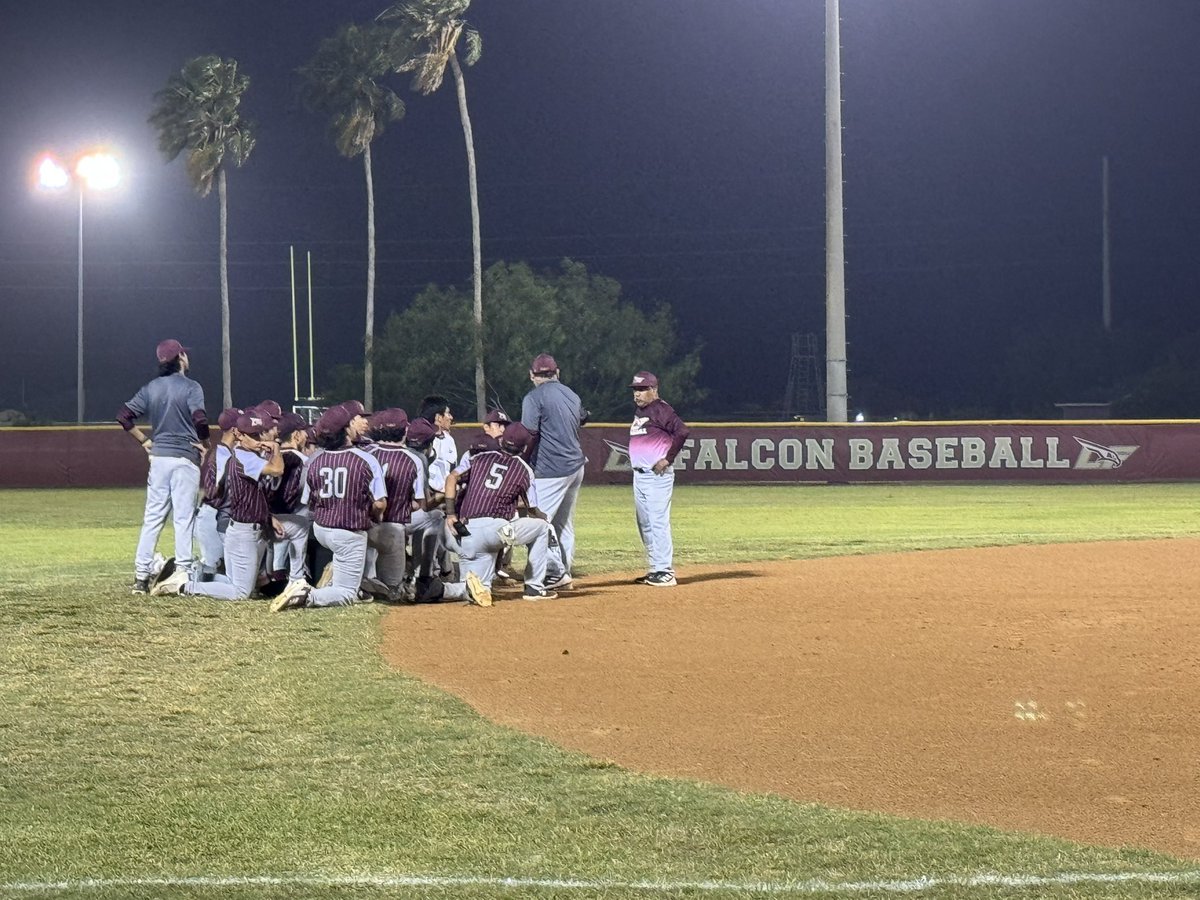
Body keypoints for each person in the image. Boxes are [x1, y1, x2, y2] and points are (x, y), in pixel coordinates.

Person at [153, 410, 284, 599]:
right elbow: (278, 469)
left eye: (259, 434)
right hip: (240, 529)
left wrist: (268, 516)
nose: (258, 440)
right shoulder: (243, 457)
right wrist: (276, 449)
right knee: (240, 592)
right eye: (253, 436)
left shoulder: (242, 454)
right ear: (238, 434)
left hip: (240, 527)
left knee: (234, 581)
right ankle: (184, 586)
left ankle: (187, 578)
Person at [272, 404, 387, 611]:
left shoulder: (315, 460)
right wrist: (371, 515)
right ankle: (306, 595)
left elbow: (308, 501)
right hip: (348, 531)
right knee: (346, 594)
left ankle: (340, 583)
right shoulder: (366, 459)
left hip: (321, 529)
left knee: (346, 564)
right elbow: (380, 503)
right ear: (346, 428)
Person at [117, 338, 209, 594]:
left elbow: (123, 416)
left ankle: (141, 578)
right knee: (183, 519)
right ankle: (182, 573)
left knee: (153, 519)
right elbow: (200, 418)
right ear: (181, 357)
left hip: (159, 458)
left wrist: (145, 441)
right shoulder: (191, 387)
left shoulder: (151, 388)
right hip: (184, 458)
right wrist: (205, 442)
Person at [439, 422, 559, 605]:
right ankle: (534, 587)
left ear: (502, 440)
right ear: (525, 447)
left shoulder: (480, 458)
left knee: (477, 588)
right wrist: (545, 517)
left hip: (463, 532)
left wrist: (450, 513)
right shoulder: (524, 470)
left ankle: (430, 588)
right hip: (496, 532)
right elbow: (532, 509)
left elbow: (451, 478)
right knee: (542, 528)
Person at [520, 353, 586, 589]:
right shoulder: (571, 393)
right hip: (576, 466)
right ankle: (563, 572)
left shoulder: (533, 397)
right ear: (557, 373)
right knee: (563, 524)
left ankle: (552, 572)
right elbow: (583, 418)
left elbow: (530, 434)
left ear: (532, 375)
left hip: (551, 469)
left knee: (539, 522)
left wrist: (522, 462)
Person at [627, 370, 689, 587]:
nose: (638, 394)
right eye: (635, 390)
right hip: (641, 475)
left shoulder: (661, 409)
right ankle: (655, 569)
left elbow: (682, 431)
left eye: (642, 389)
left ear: (654, 389)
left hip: (656, 476)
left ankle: (665, 571)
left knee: (657, 522)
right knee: (644, 524)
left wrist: (668, 459)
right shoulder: (642, 410)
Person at [420, 394, 458, 472]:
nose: (451, 417)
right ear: (438, 417)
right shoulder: (419, 439)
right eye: (448, 413)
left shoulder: (449, 440)